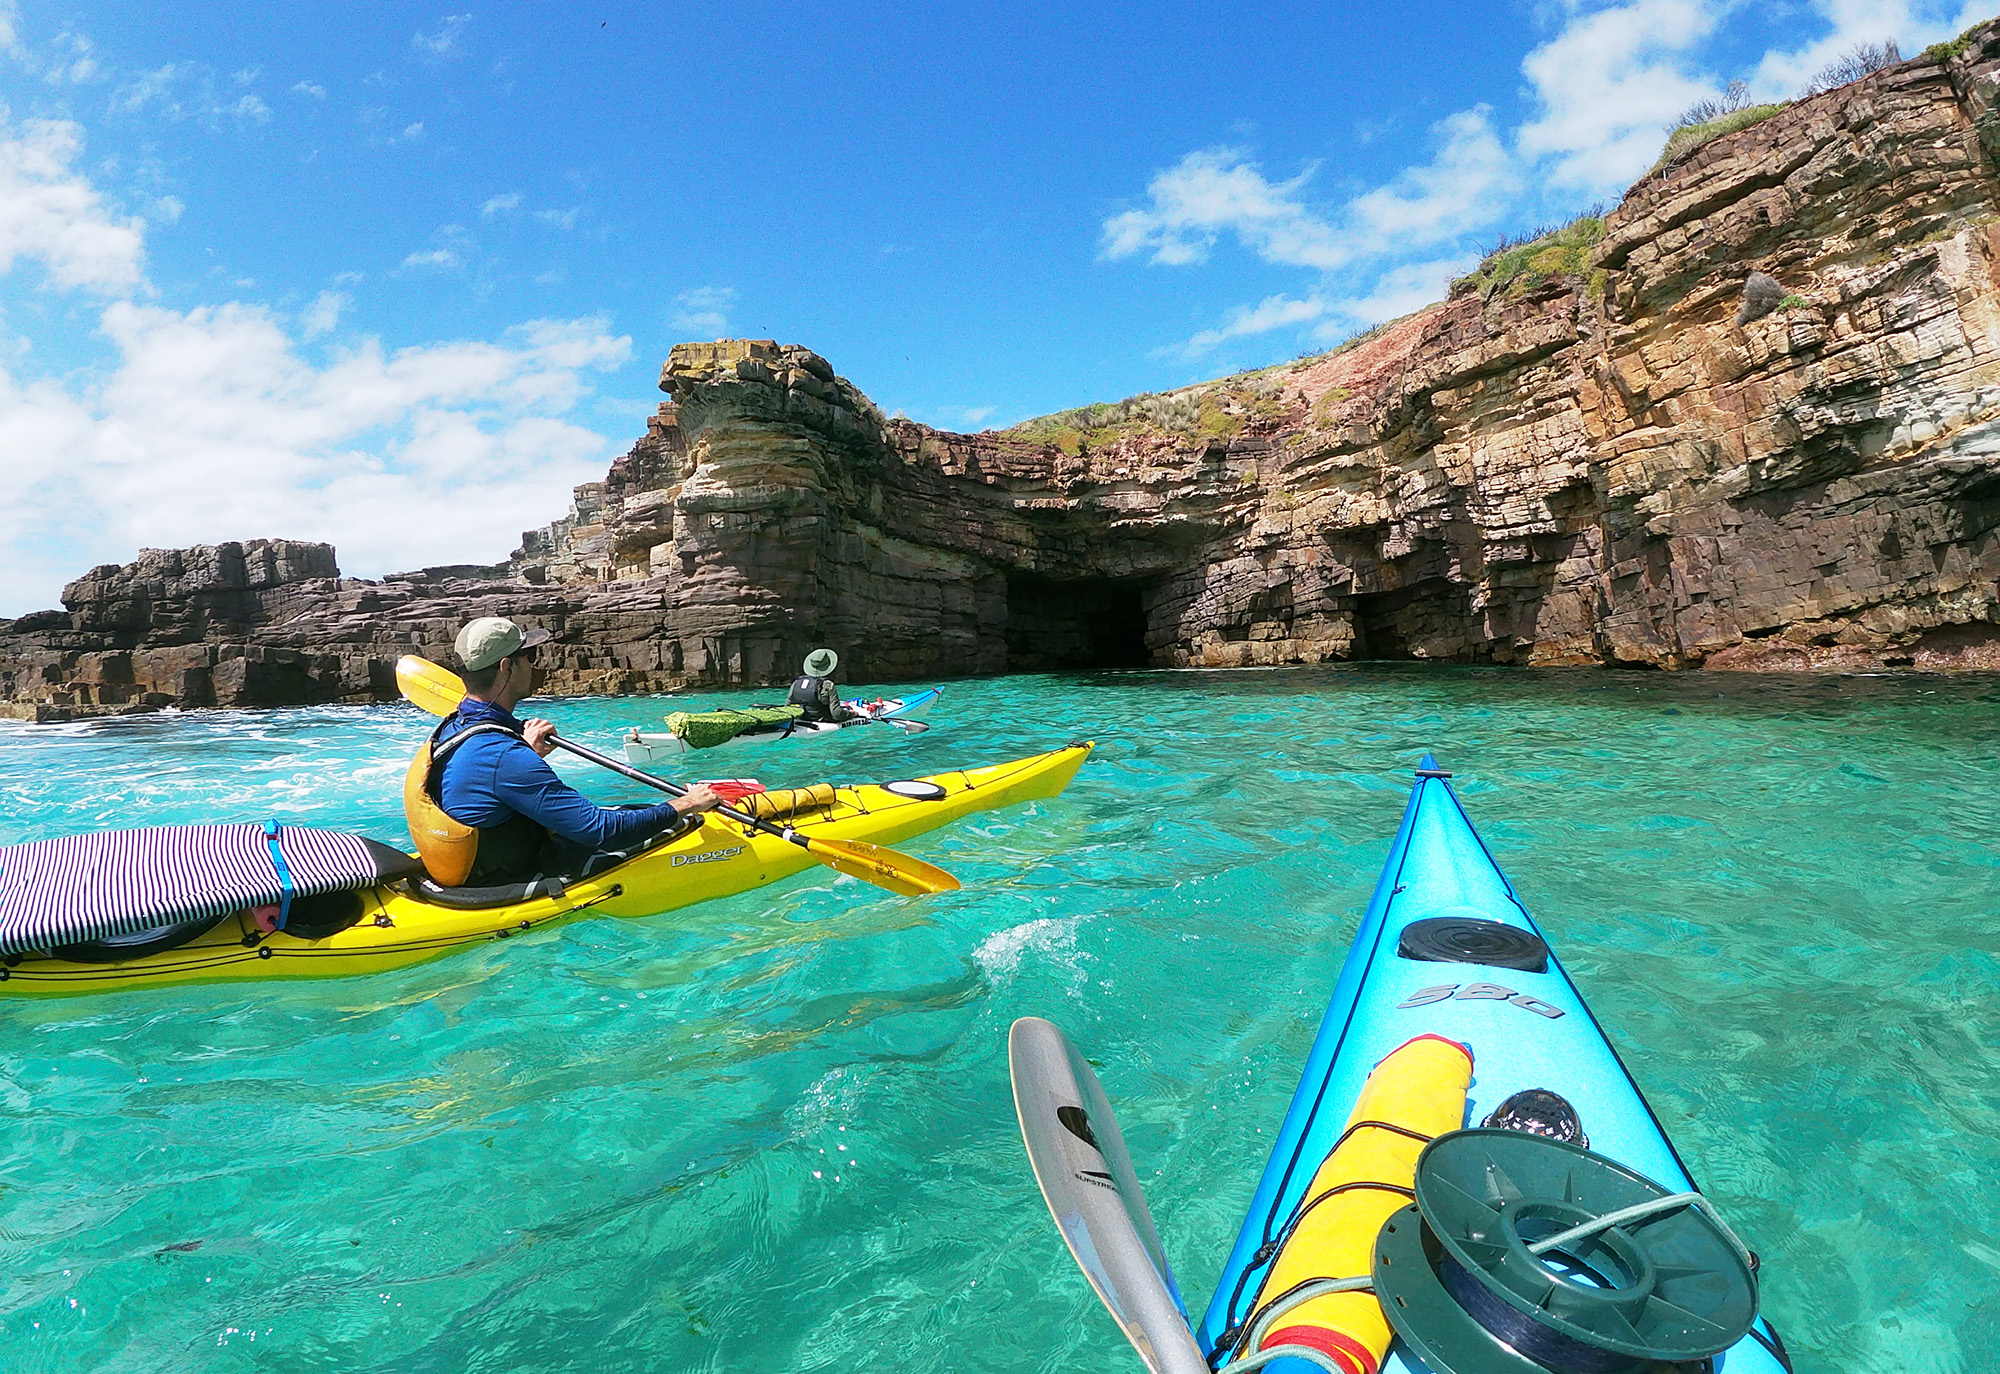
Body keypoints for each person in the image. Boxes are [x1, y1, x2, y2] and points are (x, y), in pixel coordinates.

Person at [433, 616, 720, 885]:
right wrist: (687, 803)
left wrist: (528, 754)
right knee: (661, 819)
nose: (534, 665)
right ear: (507, 667)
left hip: (477, 867)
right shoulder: (504, 757)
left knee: (636, 811)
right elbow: (605, 832)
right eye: (529, 657)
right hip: (513, 879)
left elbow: (488, 783)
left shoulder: (452, 728)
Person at [786, 648, 859, 724]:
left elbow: (788, 707)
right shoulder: (828, 685)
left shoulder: (796, 682)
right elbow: (837, 714)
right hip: (820, 720)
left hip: (800, 720)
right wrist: (852, 713)